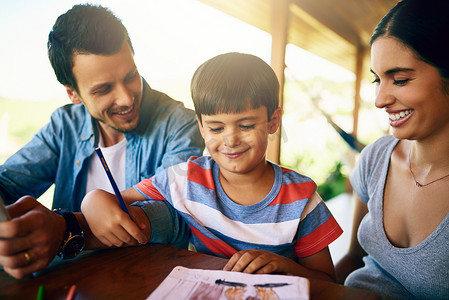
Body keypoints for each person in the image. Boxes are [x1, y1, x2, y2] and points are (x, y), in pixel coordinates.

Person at [81, 52, 343, 281]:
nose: (231, 140)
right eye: (216, 128)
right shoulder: (187, 178)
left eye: (246, 125)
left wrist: (285, 266)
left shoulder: (302, 199)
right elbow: (116, 199)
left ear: (273, 121)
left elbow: (327, 282)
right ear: (201, 127)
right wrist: (92, 201)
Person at [0, 4, 203, 279]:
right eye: (104, 89)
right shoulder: (64, 126)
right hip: (70, 282)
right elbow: (7, 184)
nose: (127, 98)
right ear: (73, 93)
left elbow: (176, 215)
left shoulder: (179, 123)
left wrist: (67, 228)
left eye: (130, 76)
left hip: (148, 283)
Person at [335, 0, 449, 299]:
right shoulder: (376, 157)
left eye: (400, 79)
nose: (380, 99)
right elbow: (352, 261)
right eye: (377, 79)